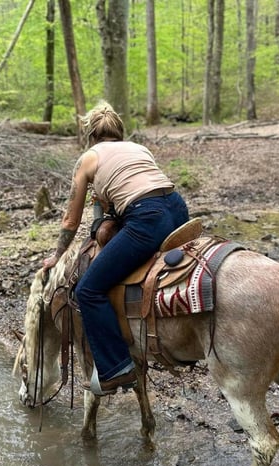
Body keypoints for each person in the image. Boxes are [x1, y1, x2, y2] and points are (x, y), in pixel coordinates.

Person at [42, 101, 189, 396]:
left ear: (90, 137)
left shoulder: (88, 158)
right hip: (178, 209)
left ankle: (116, 368)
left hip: (147, 217)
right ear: (119, 134)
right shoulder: (139, 149)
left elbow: (71, 220)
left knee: (88, 289)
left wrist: (57, 255)